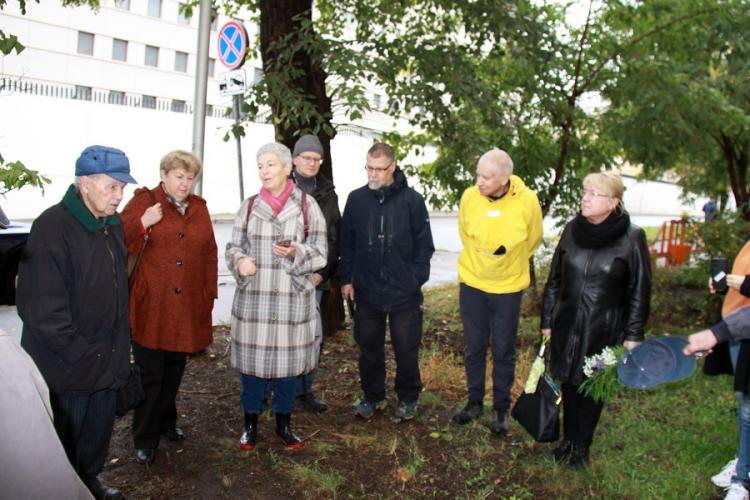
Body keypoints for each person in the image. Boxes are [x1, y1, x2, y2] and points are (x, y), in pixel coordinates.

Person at [16, 145, 136, 499]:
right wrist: (84, 354)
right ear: (85, 183)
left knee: (97, 432)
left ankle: (89, 479)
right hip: (66, 366)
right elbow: (42, 311)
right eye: (112, 186)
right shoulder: (52, 227)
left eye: (123, 187)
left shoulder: (111, 225)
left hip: (105, 358)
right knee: (62, 440)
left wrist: (115, 352)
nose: (120, 195)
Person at [540, 171, 651, 467]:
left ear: (614, 202)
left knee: (590, 389)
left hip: (603, 329)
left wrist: (634, 334)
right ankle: (567, 441)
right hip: (566, 324)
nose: (585, 198)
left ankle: (582, 447)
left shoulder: (632, 238)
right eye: (584, 191)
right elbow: (555, 279)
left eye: (594, 194)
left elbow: (640, 288)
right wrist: (548, 320)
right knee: (567, 382)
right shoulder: (571, 230)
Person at [226, 142, 327, 450]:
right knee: (252, 369)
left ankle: (284, 425)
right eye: (259, 165)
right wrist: (240, 262)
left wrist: (297, 251)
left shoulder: (309, 206)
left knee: (286, 370)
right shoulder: (249, 205)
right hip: (255, 300)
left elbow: (322, 254)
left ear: (287, 168)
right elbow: (233, 247)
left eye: (270, 164)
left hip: (290, 300)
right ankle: (250, 424)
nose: (264, 171)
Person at [120, 150, 218, 465]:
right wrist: (142, 223)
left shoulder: (199, 208)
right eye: (179, 176)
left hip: (187, 305)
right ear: (164, 175)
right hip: (151, 304)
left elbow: (210, 252)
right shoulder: (144, 200)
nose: (185, 183)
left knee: (175, 368)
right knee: (150, 371)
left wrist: (207, 294)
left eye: (190, 178)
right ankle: (144, 436)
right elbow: (116, 236)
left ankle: (167, 421)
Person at [339, 142, 435, 422]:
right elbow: (348, 242)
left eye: (379, 169)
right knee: (369, 348)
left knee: (406, 349)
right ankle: (372, 396)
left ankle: (407, 398)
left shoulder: (412, 201)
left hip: (404, 293)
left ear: (392, 167)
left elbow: (424, 246)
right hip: (367, 290)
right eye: (369, 168)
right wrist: (347, 278)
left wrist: (414, 279)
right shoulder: (356, 199)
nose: (373, 175)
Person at [452, 148, 542, 435]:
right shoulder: (469, 197)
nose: (479, 181)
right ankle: (474, 402)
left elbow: (533, 238)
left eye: (486, 177)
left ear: (505, 179)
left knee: (503, 350)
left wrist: (506, 262)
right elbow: (465, 233)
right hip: (473, 284)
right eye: (478, 174)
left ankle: (501, 408)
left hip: (508, 288)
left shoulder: (527, 201)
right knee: (474, 347)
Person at [0, 328, 93, 499]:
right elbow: (39, 467)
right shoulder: (4, 356)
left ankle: (90, 475)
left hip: (98, 357)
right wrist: (82, 351)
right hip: (69, 365)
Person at [290, 134, 341, 413]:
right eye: (306, 158)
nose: (311, 163)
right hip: (284, 277)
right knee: (283, 334)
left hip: (316, 279)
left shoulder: (328, 193)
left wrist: (322, 273)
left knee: (312, 336)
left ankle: (304, 390)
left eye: (316, 159)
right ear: (295, 159)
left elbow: (334, 237)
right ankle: (280, 387)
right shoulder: (281, 187)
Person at [704, 242, 750, 499]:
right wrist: (724, 286)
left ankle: (742, 479)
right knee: (744, 403)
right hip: (737, 329)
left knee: (747, 409)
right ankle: (743, 462)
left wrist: (742, 283)